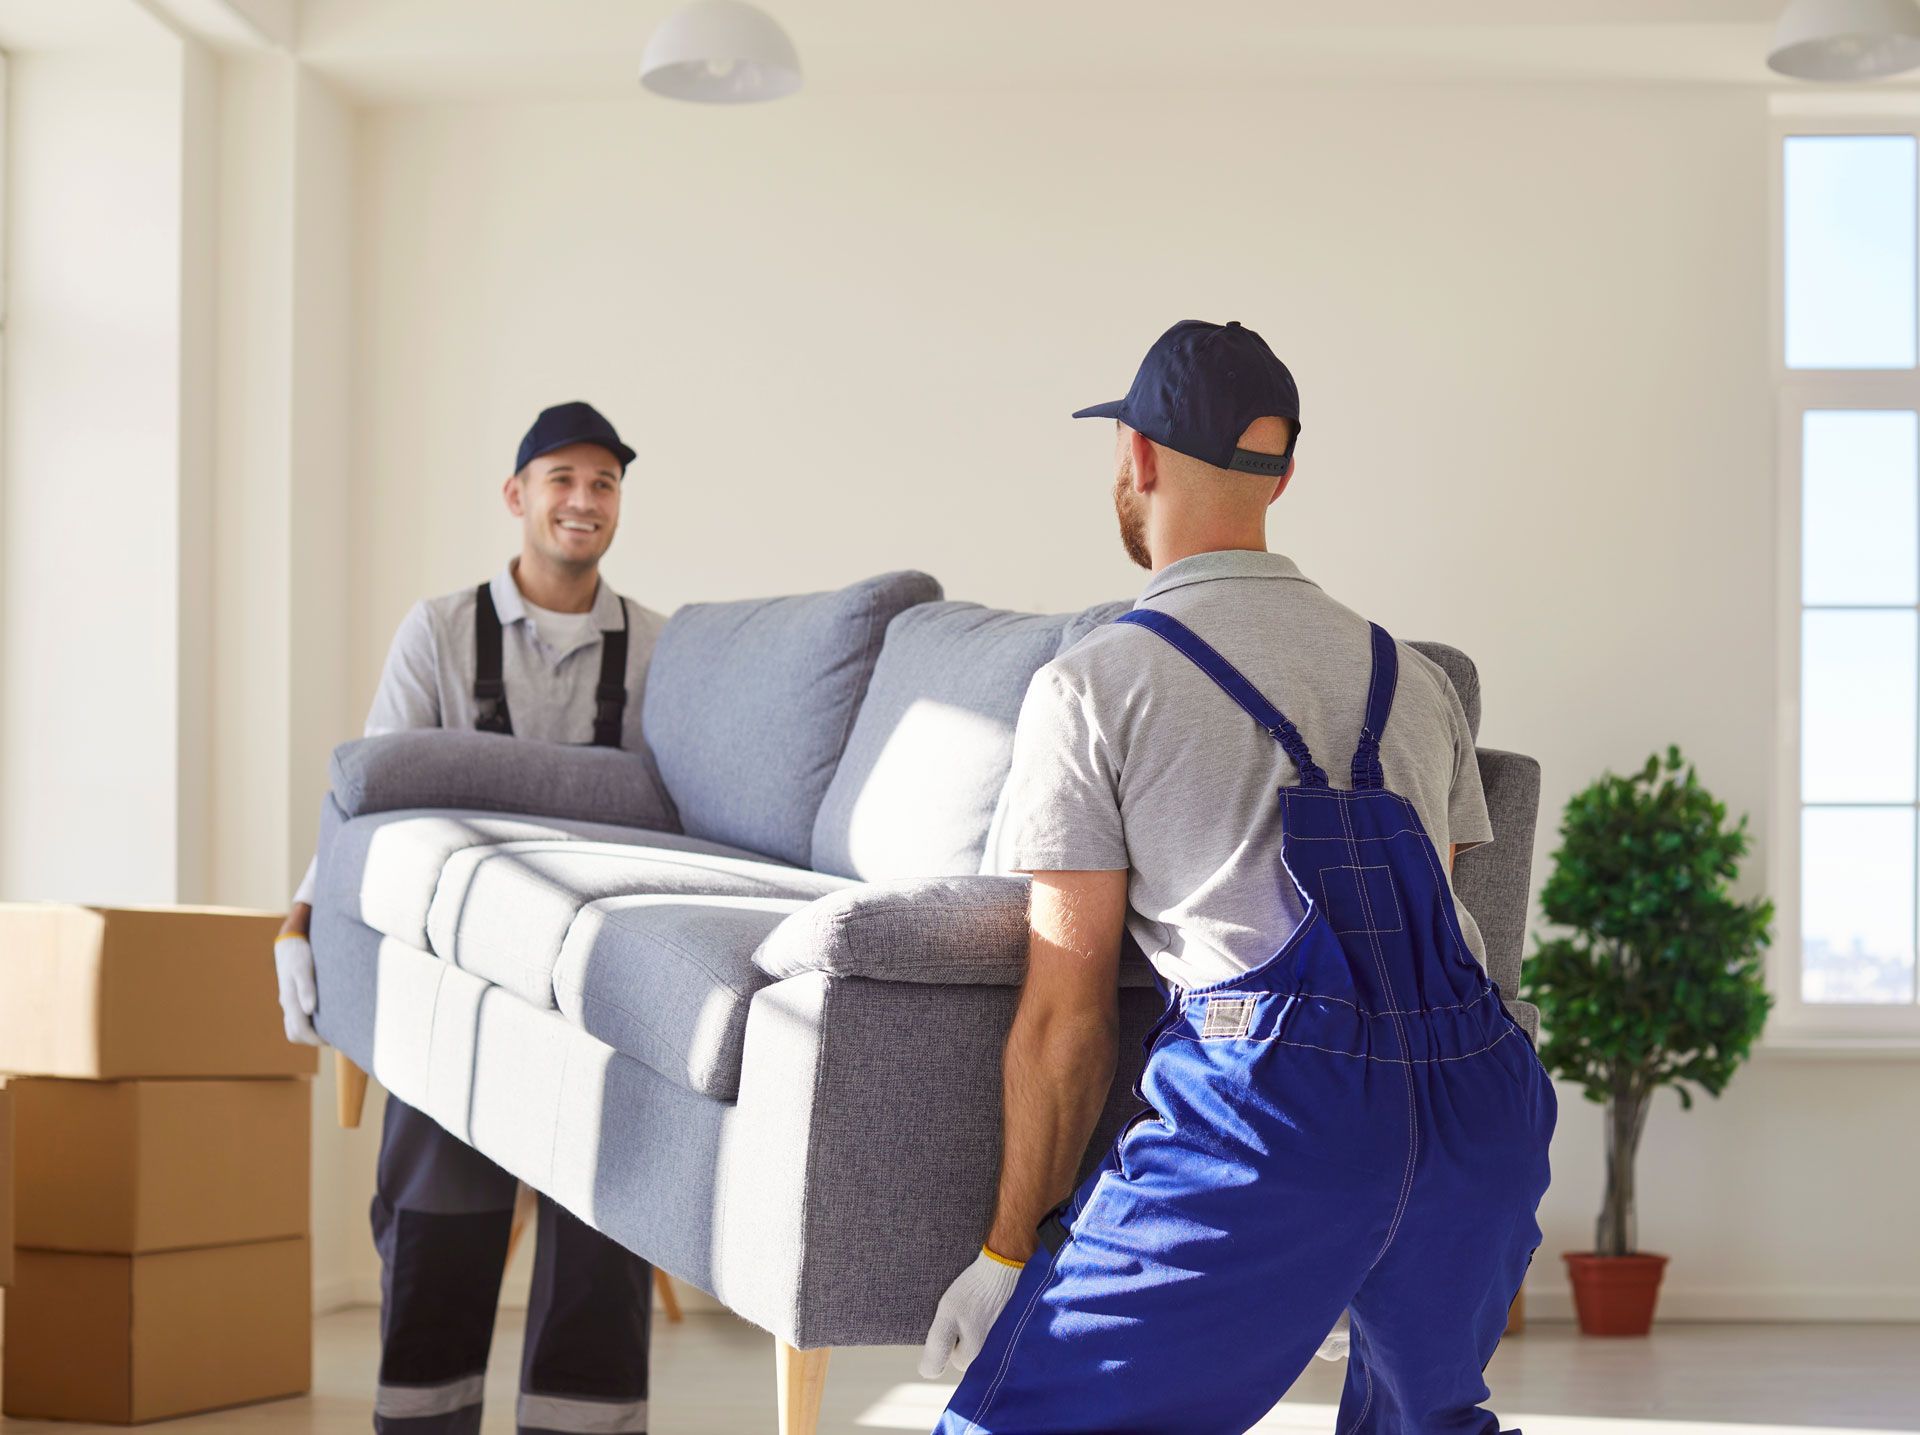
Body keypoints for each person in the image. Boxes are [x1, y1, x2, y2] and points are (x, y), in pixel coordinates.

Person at [918, 322, 1556, 1433]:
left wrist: (1005, 1253)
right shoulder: (1415, 680)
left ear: (1138, 456)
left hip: (1273, 1126)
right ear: (1283, 472)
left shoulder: (1094, 683)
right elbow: (1424, 951)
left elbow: (1066, 1020)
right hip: (1485, 1116)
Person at [274, 401, 668, 1435]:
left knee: (607, 1209)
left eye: (604, 483)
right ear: (516, 495)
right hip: (454, 981)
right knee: (435, 1206)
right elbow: (373, 788)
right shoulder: (440, 631)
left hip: (599, 987)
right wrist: (304, 912)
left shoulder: (659, 648)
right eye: (561, 479)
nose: (583, 499)